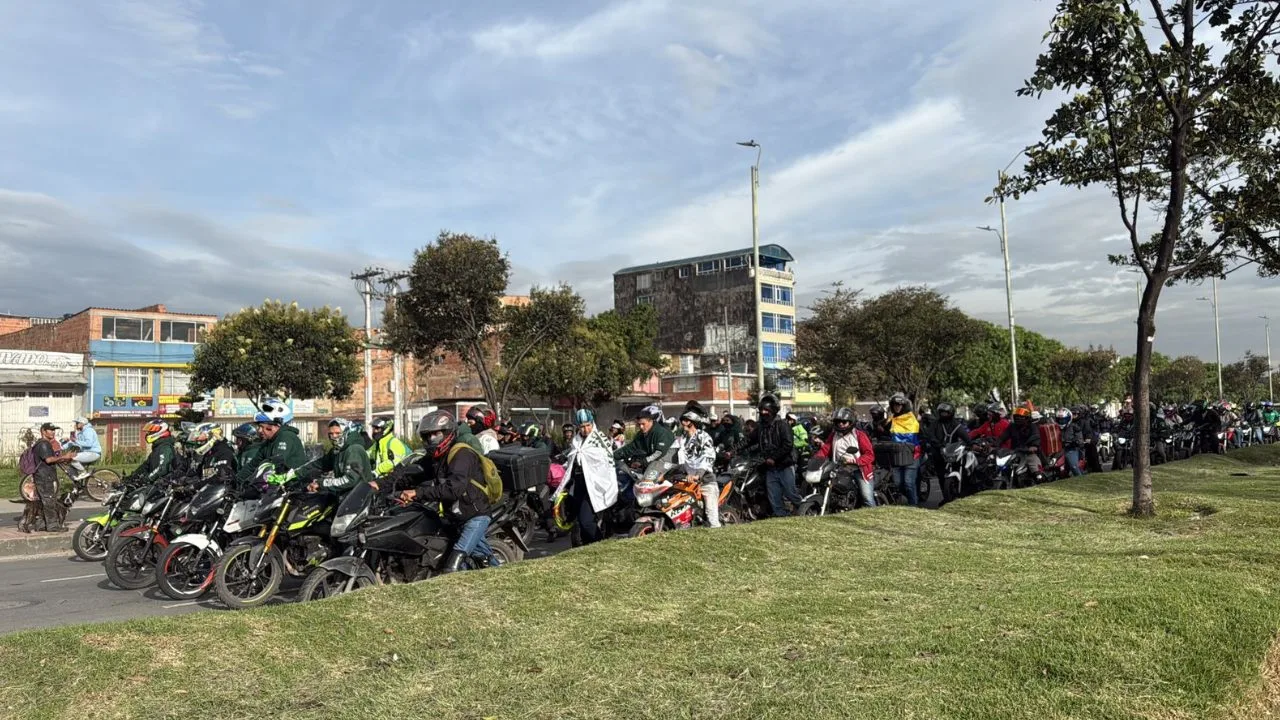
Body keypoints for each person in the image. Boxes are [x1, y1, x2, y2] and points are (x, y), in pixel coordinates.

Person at [393, 411, 501, 571]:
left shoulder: (462, 455)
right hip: (456, 518)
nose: (431, 439)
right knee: (483, 557)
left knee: (453, 566)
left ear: (448, 433)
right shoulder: (436, 459)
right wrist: (386, 486)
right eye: (427, 436)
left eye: (435, 434)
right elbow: (412, 476)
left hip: (475, 516)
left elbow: (453, 489)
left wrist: (417, 493)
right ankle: (502, 576)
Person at [556, 409, 617, 545]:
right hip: (579, 484)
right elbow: (573, 460)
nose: (586, 429)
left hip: (594, 486)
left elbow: (606, 464)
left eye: (588, 425)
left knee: (586, 521)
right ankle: (588, 548)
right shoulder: (576, 440)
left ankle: (600, 545)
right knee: (578, 522)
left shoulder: (600, 440)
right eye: (582, 426)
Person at [283, 418, 374, 494]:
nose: (334, 436)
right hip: (346, 495)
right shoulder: (337, 450)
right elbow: (319, 464)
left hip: (360, 496)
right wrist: (294, 474)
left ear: (346, 432)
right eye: (331, 434)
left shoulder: (353, 449)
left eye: (338, 433)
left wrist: (321, 483)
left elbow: (350, 479)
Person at [747, 394, 801, 517]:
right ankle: (782, 517)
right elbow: (748, 440)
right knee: (774, 497)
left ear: (773, 411)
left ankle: (805, 510)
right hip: (770, 468)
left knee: (790, 493)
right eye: (761, 410)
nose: (763, 412)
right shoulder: (760, 428)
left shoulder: (783, 425)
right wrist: (732, 451)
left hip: (784, 466)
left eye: (766, 410)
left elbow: (787, 445)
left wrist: (774, 458)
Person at [814, 407, 876, 507]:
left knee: (867, 497)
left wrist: (855, 461)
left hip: (859, 470)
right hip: (839, 468)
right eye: (838, 422)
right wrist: (816, 459)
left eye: (844, 422)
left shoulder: (859, 435)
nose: (841, 424)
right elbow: (825, 449)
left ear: (851, 422)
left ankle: (874, 513)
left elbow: (870, 455)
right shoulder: (834, 435)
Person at [25, 422, 77, 531]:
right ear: (43, 431)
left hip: (45, 476)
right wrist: (65, 456)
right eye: (50, 430)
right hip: (44, 477)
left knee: (45, 501)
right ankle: (53, 526)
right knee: (49, 502)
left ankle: (41, 524)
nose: (53, 432)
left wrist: (65, 459)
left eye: (54, 430)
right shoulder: (44, 444)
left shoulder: (44, 443)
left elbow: (52, 459)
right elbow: (49, 460)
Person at [677, 408, 721, 528]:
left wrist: (698, 475)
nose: (683, 423)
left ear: (693, 422)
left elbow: (708, 456)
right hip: (687, 482)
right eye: (682, 420)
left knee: (711, 516)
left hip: (705, 481)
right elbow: (672, 454)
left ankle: (717, 532)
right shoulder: (682, 439)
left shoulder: (704, 437)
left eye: (686, 420)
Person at [922, 402, 970, 505]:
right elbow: (930, 436)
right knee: (941, 476)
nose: (943, 415)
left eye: (946, 413)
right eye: (941, 413)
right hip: (939, 453)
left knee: (963, 469)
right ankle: (946, 496)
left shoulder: (956, 425)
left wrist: (970, 443)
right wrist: (939, 445)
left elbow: (964, 435)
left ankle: (962, 493)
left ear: (951, 413)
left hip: (954, 453)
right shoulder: (935, 424)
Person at [886, 393, 922, 506]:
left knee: (908, 483)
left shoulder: (912, 420)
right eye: (895, 405)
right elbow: (884, 433)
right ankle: (909, 500)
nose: (897, 407)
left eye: (899, 405)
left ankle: (913, 506)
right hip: (897, 456)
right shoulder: (892, 420)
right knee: (897, 483)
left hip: (911, 455)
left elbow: (922, 436)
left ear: (904, 406)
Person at [253, 398, 307, 473]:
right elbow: (252, 466)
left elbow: (275, 463)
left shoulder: (286, 436)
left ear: (274, 426)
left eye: (262, 427)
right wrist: (238, 479)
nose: (259, 430)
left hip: (294, 480)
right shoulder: (268, 442)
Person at [123, 418, 179, 486]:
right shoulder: (157, 447)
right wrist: (132, 477)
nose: (148, 433)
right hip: (154, 484)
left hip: (163, 485)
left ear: (160, 431)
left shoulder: (165, 448)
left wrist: (147, 479)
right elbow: (145, 466)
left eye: (151, 432)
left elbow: (162, 469)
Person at [999, 406, 1043, 479]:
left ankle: (1039, 477)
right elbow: (1002, 437)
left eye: (1020, 417)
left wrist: (1033, 446)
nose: (1018, 418)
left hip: (1028, 453)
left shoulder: (1032, 426)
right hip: (1014, 453)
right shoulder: (1012, 426)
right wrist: (995, 444)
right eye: (1016, 417)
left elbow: (1036, 438)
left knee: (1036, 472)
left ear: (1027, 418)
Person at [1059, 408, 1087, 477]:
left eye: (1064, 419)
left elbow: (1080, 439)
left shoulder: (1074, 427)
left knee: (1074, 467)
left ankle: (1080, 479)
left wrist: (1076, 441)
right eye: (1059, 420)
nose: (1061, 421)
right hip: (1058, 450)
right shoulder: (1056, 428)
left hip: (1071, 449)